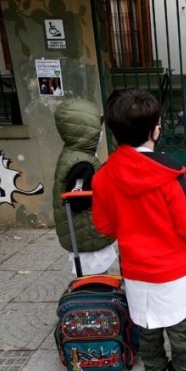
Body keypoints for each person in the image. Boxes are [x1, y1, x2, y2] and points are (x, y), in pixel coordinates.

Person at [92, 89, 186, 371]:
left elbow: (104, 226)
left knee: (147, 327)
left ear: (114, 133)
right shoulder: (170, 175)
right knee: (181, 329)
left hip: (135, 270)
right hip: (173, 271)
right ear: (156, 129)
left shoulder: (103, 177)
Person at [52, 98, 117, 276]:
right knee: (96, 279)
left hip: (83, 235)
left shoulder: (72, 154)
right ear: (87, 130)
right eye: (98, 127)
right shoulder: (82, 164)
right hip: (88, 236)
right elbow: (78, 200)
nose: (101, 132)